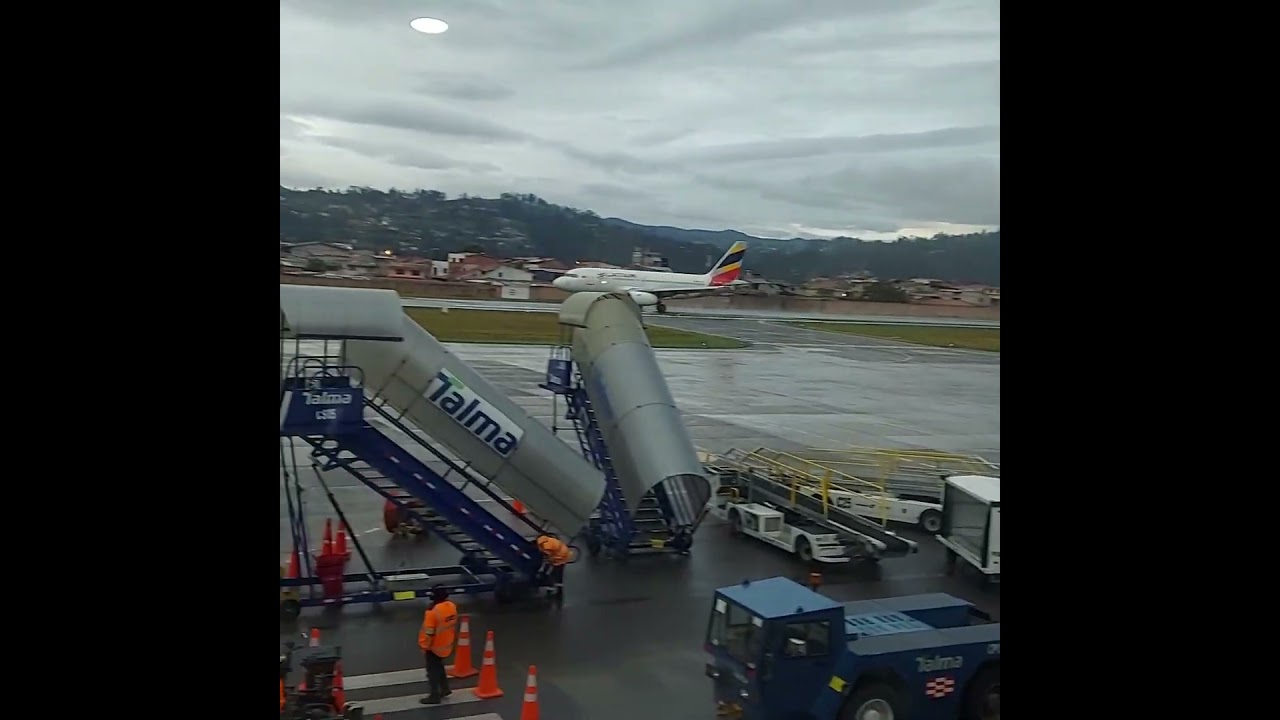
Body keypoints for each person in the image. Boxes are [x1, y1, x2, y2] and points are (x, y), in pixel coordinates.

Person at [417, 585, 459, 705]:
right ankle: (445, 689)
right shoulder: (451, 606)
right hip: (446, 643)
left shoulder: (432, 612)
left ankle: (434, 695)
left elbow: (429, 632)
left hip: (434, 646)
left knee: (432, 671)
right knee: (439, 667)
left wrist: (424, 646)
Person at [535, 534, 572, 602]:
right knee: (559, 572)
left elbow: (548, 557)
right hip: (564, 553)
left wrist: (544, 566)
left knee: (551, 573)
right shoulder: (547, 540)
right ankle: (559, 587)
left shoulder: (546, 546)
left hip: (559, 556)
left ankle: (550, 589)